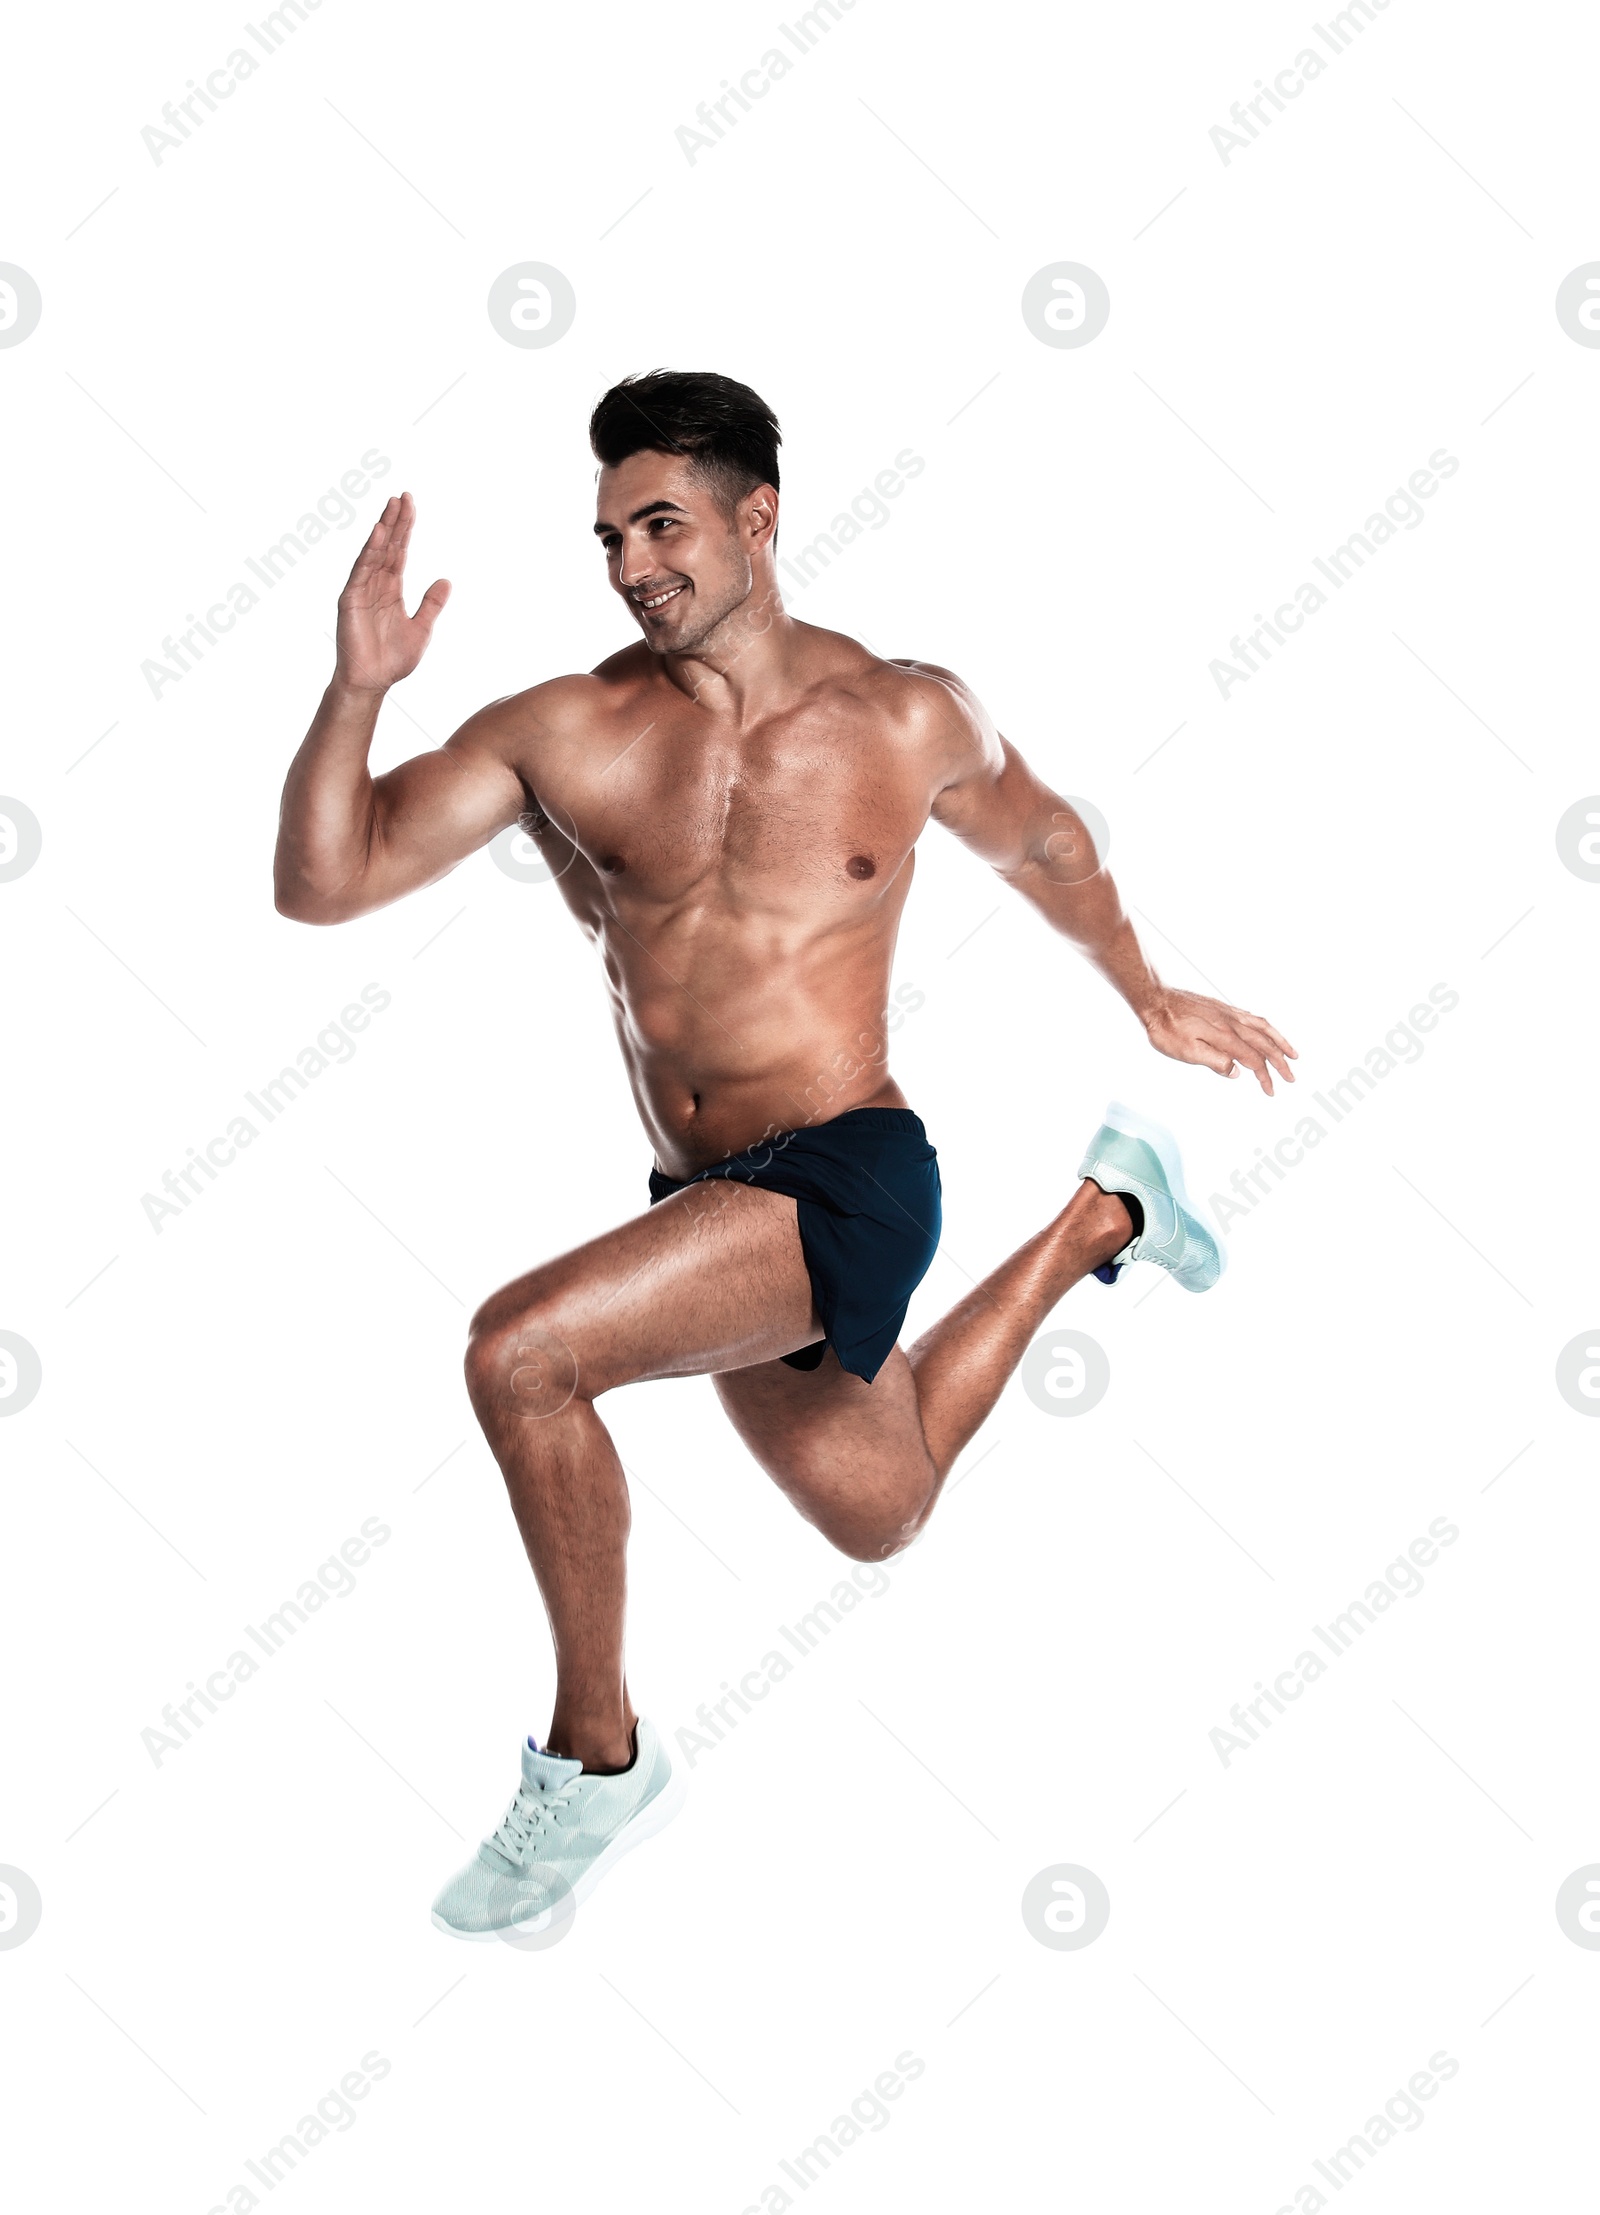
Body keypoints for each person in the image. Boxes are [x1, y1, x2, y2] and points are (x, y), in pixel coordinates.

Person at [273, 370, 1296, 1940]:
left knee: (521, 1357)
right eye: (609, 536)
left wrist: (1150, 990)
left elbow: (1048, 844)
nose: (632, 566)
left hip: (849, 1171)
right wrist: (358, 692)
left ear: (759, 517)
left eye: (662, 524)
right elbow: (323, 883)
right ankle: (1109, 1211)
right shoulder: (566, 729)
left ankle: (595, 1757)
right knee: (878, 1507)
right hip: (710, 1206)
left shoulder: (902, 712)